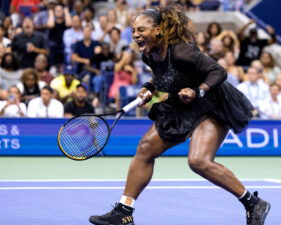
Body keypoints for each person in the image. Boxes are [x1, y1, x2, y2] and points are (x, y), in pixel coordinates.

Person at [89, 5, 270, 225]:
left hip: (211, 104)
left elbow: (218, 71)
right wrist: (149, 87)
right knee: (145, 148)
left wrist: (198, 90)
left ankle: (253, 203)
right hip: (182, 104)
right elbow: (163, 76)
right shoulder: (149, 55)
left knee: (198, 161)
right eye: (134, 30)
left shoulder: (182, 51)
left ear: (158, 30)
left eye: (141, 30)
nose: (136, 35)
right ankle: (124, 211)